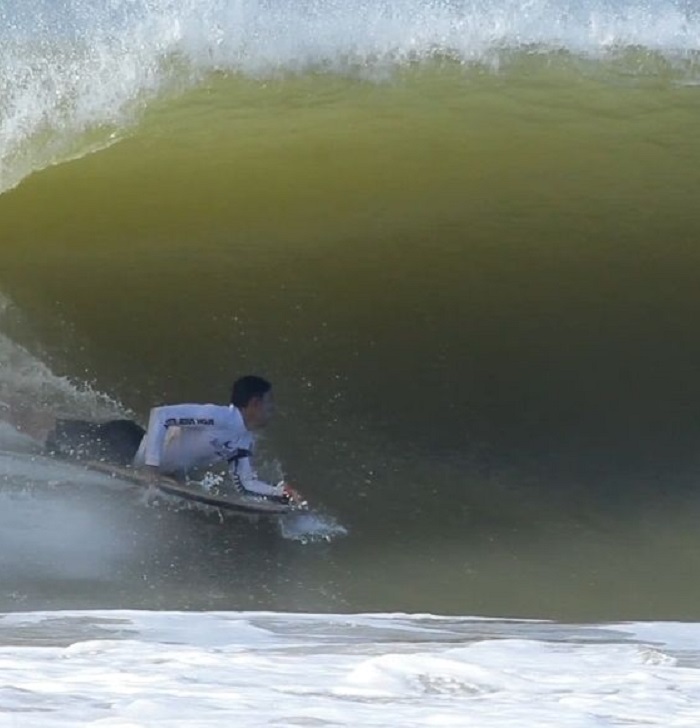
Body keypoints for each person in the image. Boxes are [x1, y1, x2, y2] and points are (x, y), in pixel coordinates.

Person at [132, 375, 300, 503]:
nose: (273, 409)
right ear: (255, 403)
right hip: (129, 445)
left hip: (157, 468)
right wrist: (151, 468)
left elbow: (245, 483)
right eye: (270, 402)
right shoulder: (219, 416)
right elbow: (161, 415)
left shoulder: (244, 439)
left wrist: (280, 493)